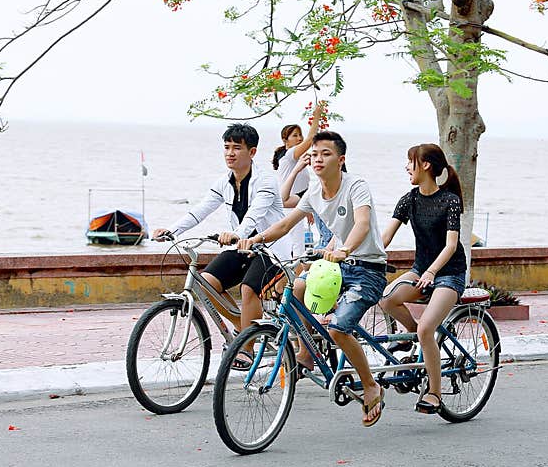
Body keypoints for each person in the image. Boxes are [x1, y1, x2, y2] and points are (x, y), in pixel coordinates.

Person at [239, 131, 389, 427]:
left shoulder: (355, 186)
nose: (318, 159)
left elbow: (361, 223)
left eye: (326, 154)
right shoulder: (313, 193)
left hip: (368, 269)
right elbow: (285, 223)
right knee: (294, 290)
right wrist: (255, 239)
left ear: (341, 160)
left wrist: (345, 248)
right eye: (314, 154)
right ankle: (306, 354)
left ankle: (371, 385)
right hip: (337, 266)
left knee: (338, 329)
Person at [152, 123, 292, 345]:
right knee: (205, 282)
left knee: (249, 289)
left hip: (271, 248)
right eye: (226, 147)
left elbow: (253, 216)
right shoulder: (224, 182)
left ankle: (246, 348)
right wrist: (172, 230)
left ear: (252, 152)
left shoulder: (265, 181)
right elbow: (200, 209)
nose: (230, 153)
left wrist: (236, 234)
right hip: (242, 248)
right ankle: (244, 325)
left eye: (237, 148)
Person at [378, 143, 467, 415]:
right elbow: (385, 238)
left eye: (410, 162)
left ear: (425, 165)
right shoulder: (409, 199)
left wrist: (432, 272)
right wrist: (360, 253)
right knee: (386, 299)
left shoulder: (450, 201)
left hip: (449, 273)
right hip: (420, 269)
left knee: (426, 329)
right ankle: (410, 338)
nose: (407, 167)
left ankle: (435, 393)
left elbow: (451, 245)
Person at [274, 102, 333, 251]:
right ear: (285, 140)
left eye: (300, 134)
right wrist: (317, 115)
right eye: (295, 135)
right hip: (289, 204)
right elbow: (311, 138)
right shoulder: (289, 155)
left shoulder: (293, 157)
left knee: (303, 244)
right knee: (298, 247)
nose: (300, 138)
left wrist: (307, 210)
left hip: (298, 201)